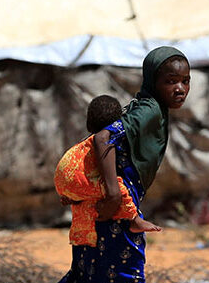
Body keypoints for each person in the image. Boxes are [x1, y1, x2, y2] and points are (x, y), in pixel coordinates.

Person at [19, 46, 191, 283]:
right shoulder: (148, 110)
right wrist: (113, 193)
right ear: (152, 82)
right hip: (116, 220)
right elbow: (102, 138)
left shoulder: (147, 107)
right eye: (170, 81)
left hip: (96, 220)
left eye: (184, 81)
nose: (179, 88)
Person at [55, 94, 161, 248]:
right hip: (75, 182)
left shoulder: (85, 144)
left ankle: (82, 237)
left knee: (92, 194)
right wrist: (113, 199)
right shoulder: (104, 140)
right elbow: (113, 192)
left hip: (65, 183)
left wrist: (72, 193)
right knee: (117, 186)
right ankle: (135, 220)